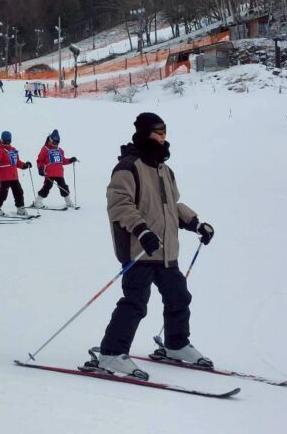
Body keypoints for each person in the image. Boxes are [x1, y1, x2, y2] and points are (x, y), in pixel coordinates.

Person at [88, 112, 215, 379]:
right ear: (145, 133)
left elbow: (172, 206)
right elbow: (119, 205)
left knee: (179, 297)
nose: (163, 136)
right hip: (140, 249)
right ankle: (111, 353)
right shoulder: (128, 167)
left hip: (166, 251)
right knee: (136, 302)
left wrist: (195, 223)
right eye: (158, 131)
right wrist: (142, 230)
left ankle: (176, 345)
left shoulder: (164, 169)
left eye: (165, 131)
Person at [0, 131, 32, 216]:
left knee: (19, 191)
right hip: (4, 176)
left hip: (14, 176)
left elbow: (17, 162)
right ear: (1, 140)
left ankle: (20, 208)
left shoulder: (13, 150)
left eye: (8, 142)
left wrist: (24, 165)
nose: (6, 144)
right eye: (5, 142)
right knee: (3, 193)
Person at [32, 129, 77, 208]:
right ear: (50, 140)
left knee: (63, 187)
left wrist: (70, 160)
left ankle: (68, 202)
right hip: (49, 173)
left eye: (57, 142)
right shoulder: (45, 149)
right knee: (47, 187)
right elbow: (40, 160)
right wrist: (40, 168)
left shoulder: (60, 150)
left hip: (59, 173)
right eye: (54, 142)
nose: (55, 144)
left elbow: (63, 161)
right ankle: (37, 202)